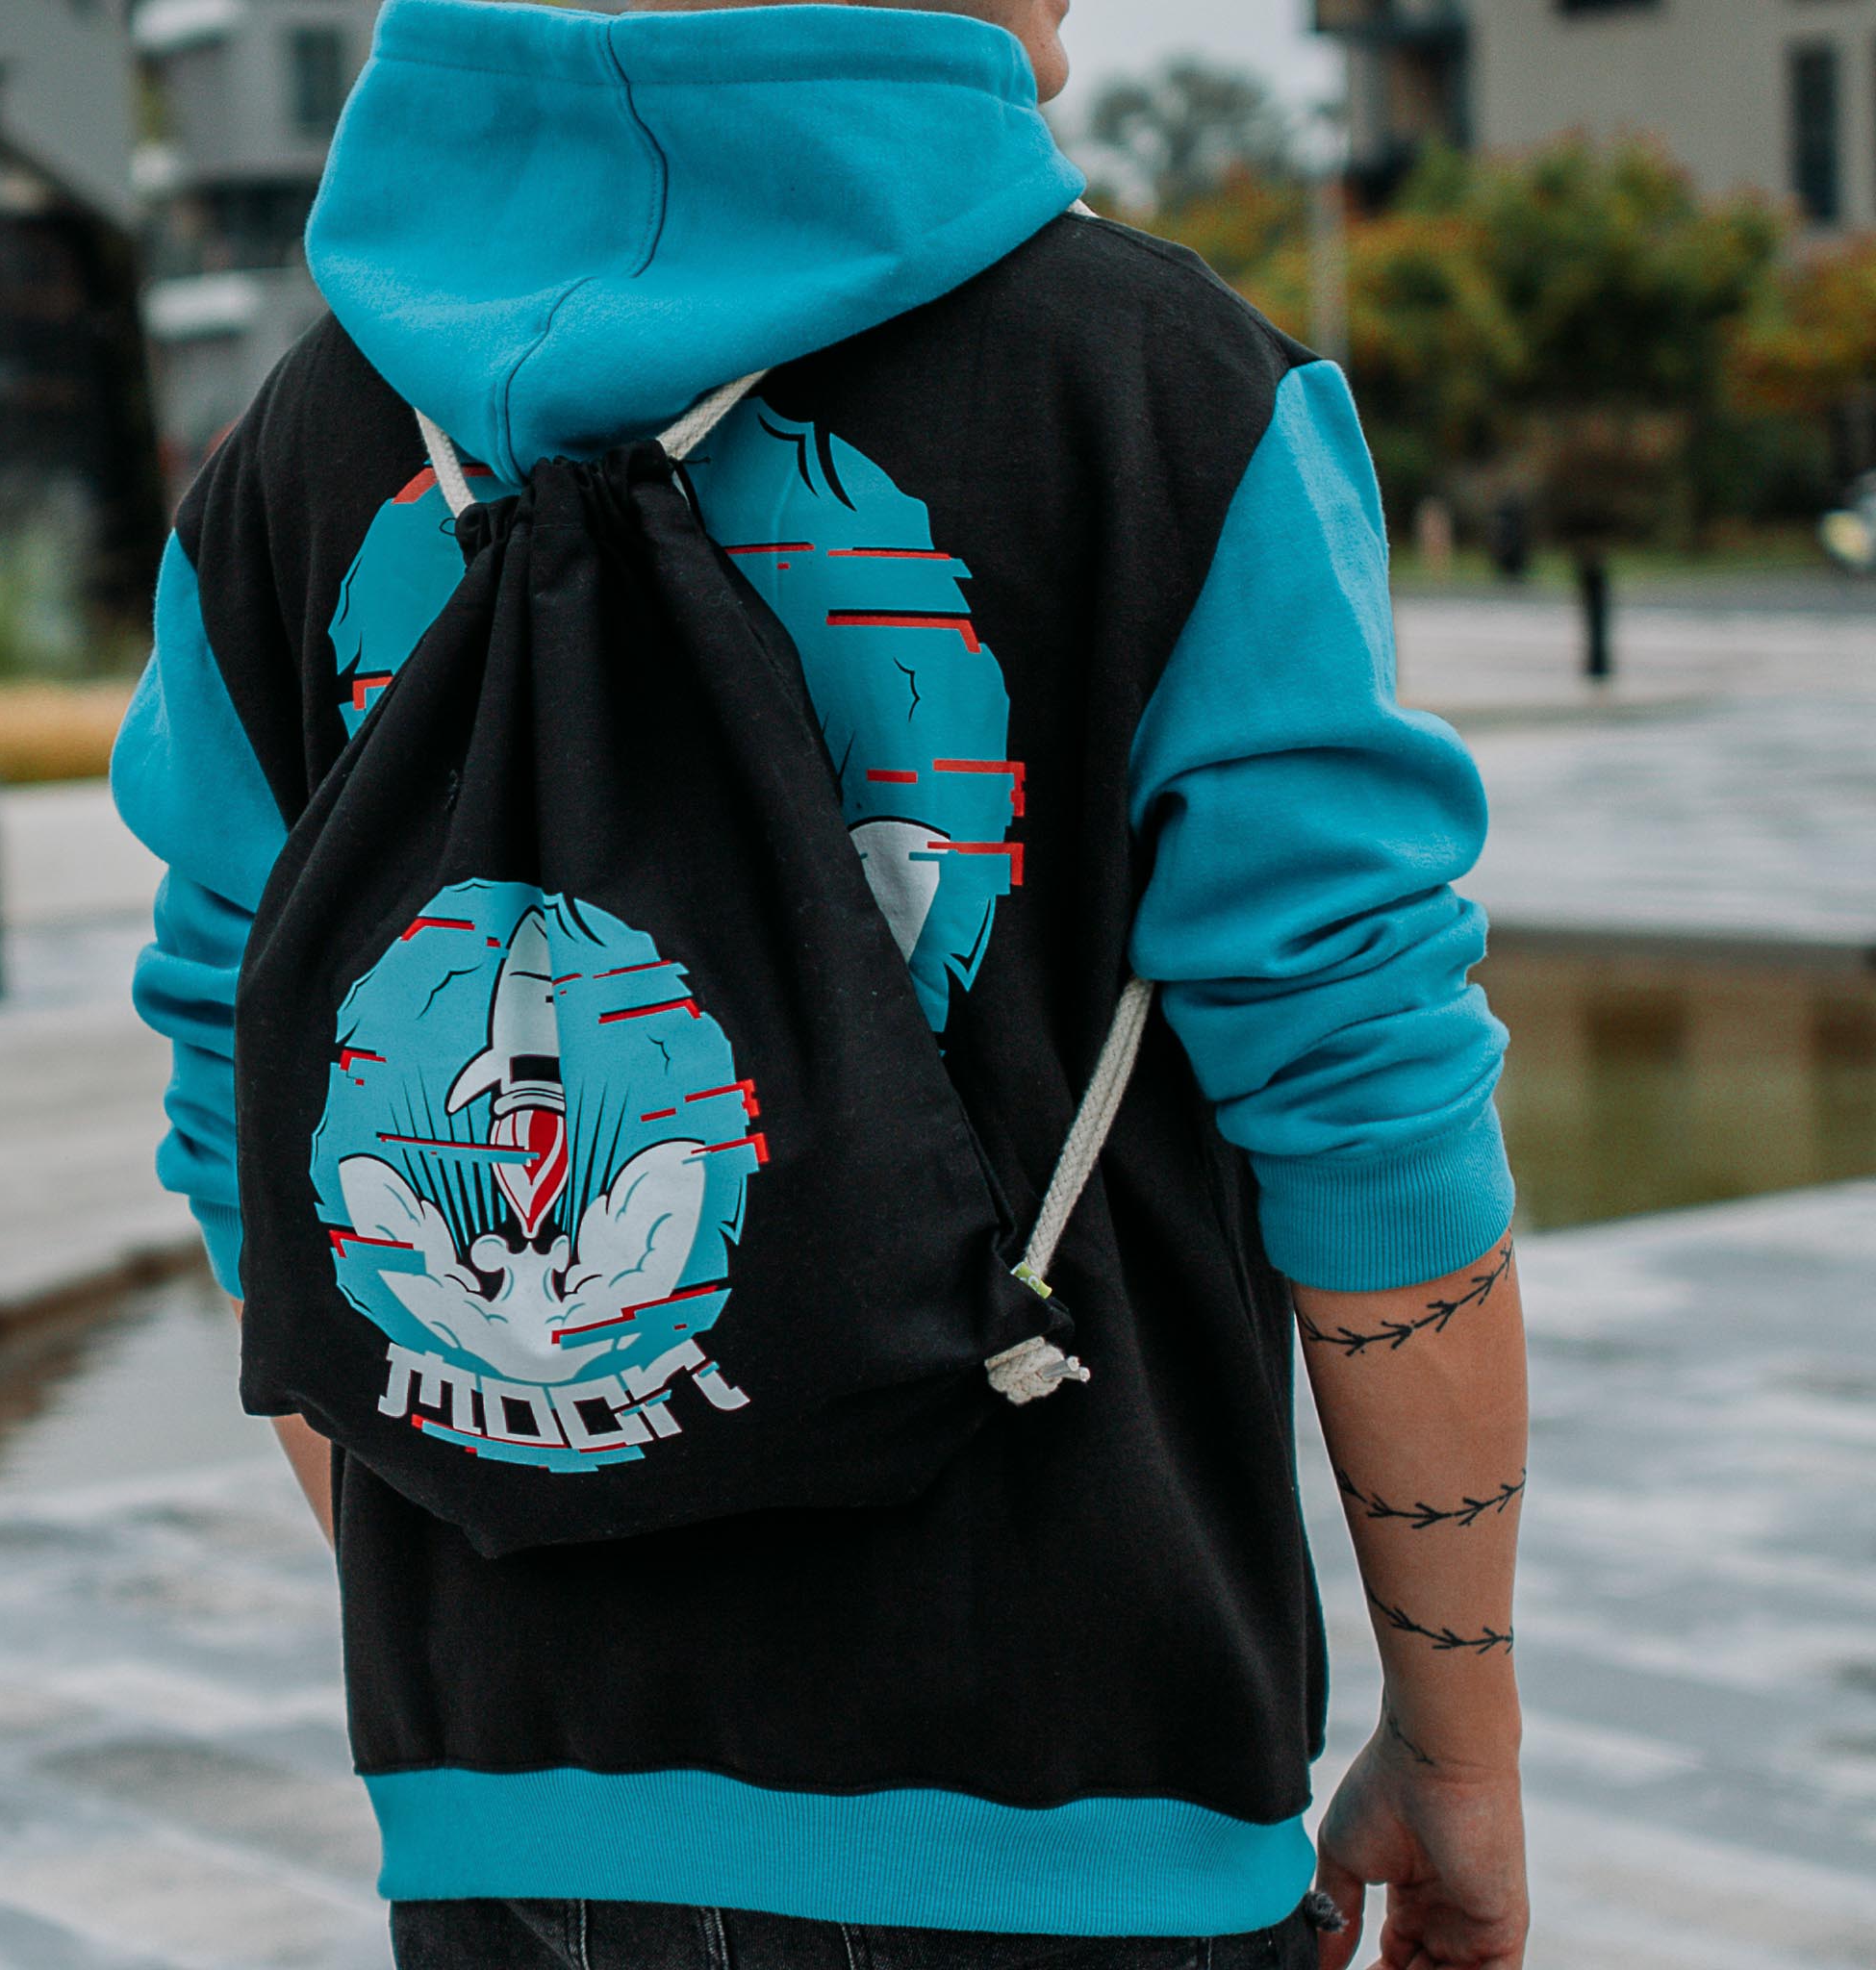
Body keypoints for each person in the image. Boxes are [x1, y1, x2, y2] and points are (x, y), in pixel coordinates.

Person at [112, 0, 1531, 1965]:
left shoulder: (293, 449)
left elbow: (240, 1095)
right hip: (1080, 1802)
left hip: (501, 1825)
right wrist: (1458, 1747)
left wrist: (522, 1548)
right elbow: (1368, 1116)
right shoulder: (1163, 397)